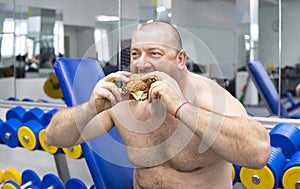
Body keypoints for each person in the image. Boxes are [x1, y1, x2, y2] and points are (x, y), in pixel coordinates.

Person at [45, 21, 270, 189]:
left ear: (180, 59)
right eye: (135, 54)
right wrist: (91, 107)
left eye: (155, 53)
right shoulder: (123, 99)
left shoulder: (210, 97)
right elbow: (54, 137)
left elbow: (258, 154)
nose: (142, 63)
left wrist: (181, 108)